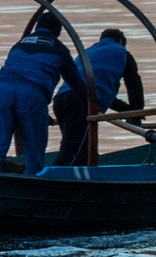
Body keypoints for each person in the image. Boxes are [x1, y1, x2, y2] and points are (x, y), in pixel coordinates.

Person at [0, 13, 85, 175]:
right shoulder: (59, 49)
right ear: (58, 30)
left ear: (37, 26)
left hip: (2, 93)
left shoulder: (19, 44)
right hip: (31, 96)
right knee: (34, 152)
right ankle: (32, 186)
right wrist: (93, 106)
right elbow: (77, 84)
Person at [51, 27, 146, 166]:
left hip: (60, 99)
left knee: (81, 149)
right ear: (120, 41)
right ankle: (53, 181)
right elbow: (134, 86)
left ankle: (81, 181)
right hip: (81, 102)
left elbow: (101, 93)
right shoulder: (122, 53)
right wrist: (136, 113)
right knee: (74, 151)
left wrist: (127, 111)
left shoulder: (88, 52)